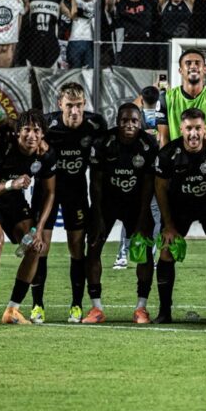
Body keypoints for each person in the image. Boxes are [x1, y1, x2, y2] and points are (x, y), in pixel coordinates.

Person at [35, 83, 107, 324]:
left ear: (84, 105)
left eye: (79, 106)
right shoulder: (46, 125)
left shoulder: (96, 125)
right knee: (40, 247)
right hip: (46, 192)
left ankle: (76, 305)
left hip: (76, 192)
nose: (75, 111)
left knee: (77, 248)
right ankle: (37, 306)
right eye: (69, 106)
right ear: (60, 105)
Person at [0, 110, 58, 325]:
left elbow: (50, 192)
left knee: (34, 247)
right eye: (26, 130)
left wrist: (39, 229)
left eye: (37, 131)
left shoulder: (45, 154)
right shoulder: (3, 145)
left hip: (13, 201)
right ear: (17, 132)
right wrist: (10, 184)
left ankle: (12, 310)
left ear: (43, 134)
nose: (31, 135)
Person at [154, 108, 206, 324]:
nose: (194, 134)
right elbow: (160, 190)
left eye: (198, 128)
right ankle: (164, 312)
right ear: (181, 129)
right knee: (167, 250)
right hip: (179, 208)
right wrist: (168, 225)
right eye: (189, 128)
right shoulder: (168, 154)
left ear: (205, 128)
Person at [84, 104, 158, 323]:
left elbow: (148, 184)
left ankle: (141, 308)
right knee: (94, 247)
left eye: (134, 121)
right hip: (107, 203)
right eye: (125, 120)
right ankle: (96, 308)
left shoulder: (148, 144)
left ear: (140, 122)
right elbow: (95, 184)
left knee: (144, 250)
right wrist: (96, 216)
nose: (129, 125)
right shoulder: (103, 143)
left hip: (136, 204)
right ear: (118, 121)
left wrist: (144, 216)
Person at [156, 49, 206, 147]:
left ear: (205, 69)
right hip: (177, 157)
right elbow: (163, 137)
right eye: (188, 63)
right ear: (180, 70)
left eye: (197, 63)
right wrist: (165, 158)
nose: (193, 66)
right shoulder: (165, 98)